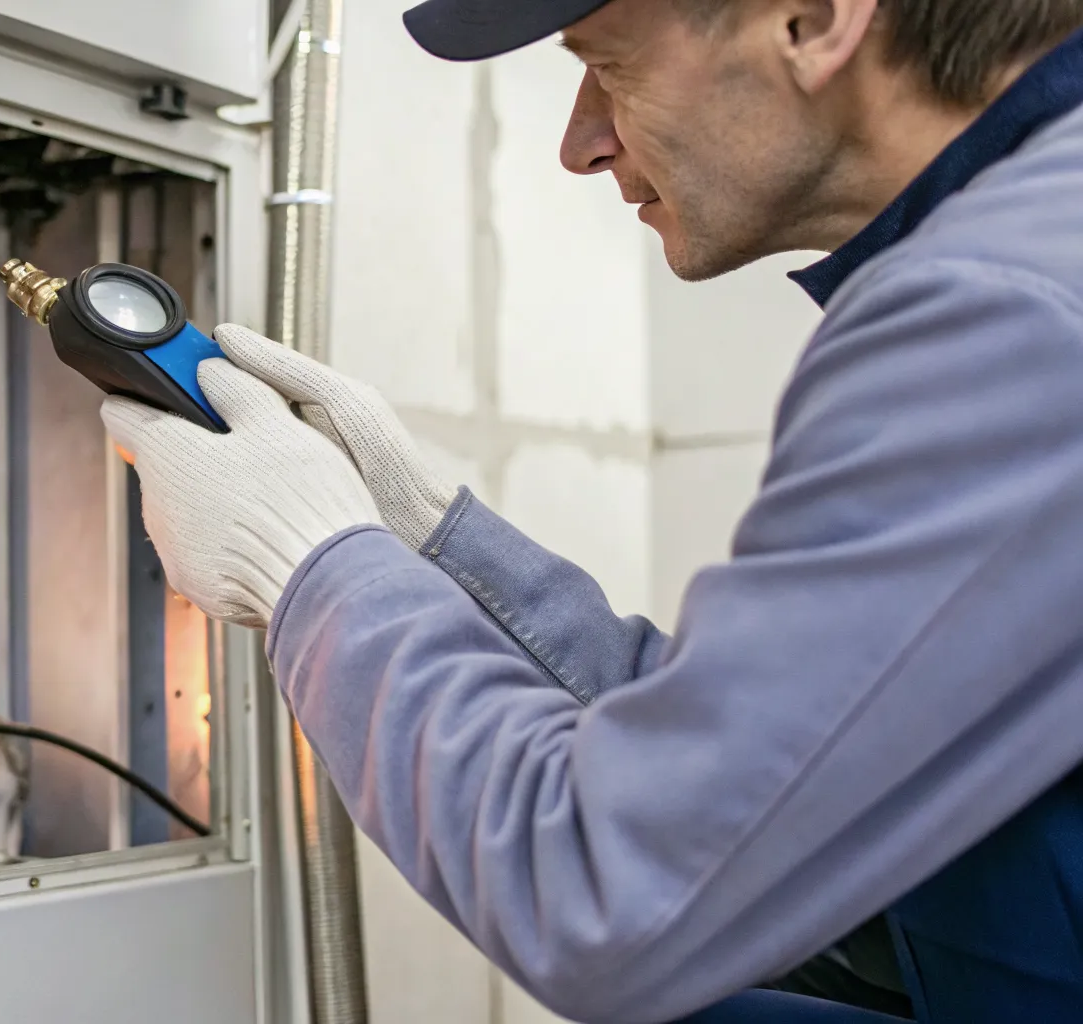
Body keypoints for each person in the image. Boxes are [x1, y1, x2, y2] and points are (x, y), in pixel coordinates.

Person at [102, 0, 1083, 1020]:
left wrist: (311, 569)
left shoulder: (1000, 309)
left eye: (604, 64)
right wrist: (440, 543)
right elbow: (769, 779)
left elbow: (611, 896)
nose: (579, 143)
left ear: (811, 17)